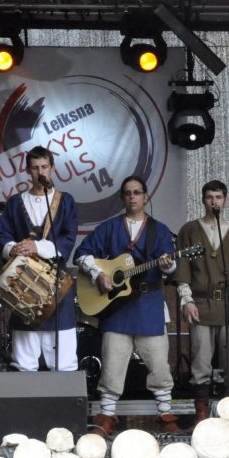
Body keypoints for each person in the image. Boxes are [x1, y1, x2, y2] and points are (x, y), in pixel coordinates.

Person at [74, 176, 177, 436]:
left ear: (145, 196)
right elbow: (82, 254)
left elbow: (171, 266)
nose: (132, 197)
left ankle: (165, 412)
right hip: (117, 308)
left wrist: (168, 265)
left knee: (159, 364)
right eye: (128, 193)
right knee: (112, 364)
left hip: (149, 306)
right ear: (122, 197)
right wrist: (98, 273)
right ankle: (107, 415)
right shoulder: (109, 228)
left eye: (137, 192)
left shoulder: (159, 230)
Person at [174, 180, 229, 423]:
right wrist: (186, 300)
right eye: (210, 197)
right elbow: (182, 268)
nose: (214, 201)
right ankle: (201, 411)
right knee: (200, 361)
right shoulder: (189, 230)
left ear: (225, 200)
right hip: (200, 304)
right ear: (203, 200)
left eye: (219, 197)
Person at [0, 146, 78, 371]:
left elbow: (68, 238)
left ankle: (64, 395)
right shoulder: (15, 202)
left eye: (44, 167)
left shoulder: (65, 201)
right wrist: (13, 249)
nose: (40, 172)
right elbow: (3, 236)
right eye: (35, 168)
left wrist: (37, 246)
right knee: (24, 360)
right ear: (27, 171)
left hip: (57, 286)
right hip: (23, 285)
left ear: (52, 168)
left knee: (63, 361)